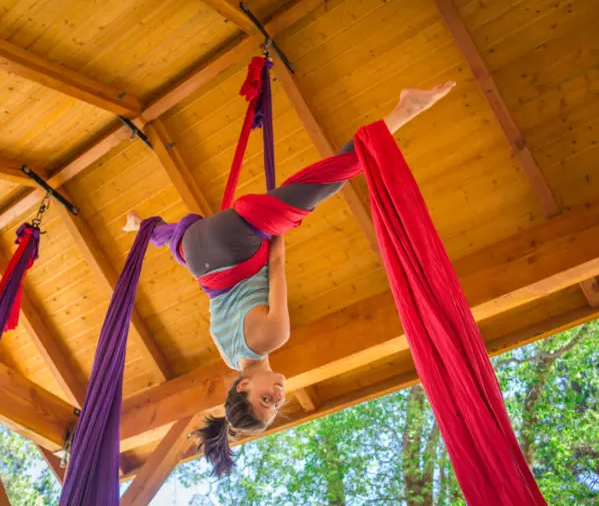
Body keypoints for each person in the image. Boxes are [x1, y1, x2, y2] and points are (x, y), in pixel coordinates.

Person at [124, 82, 455, 475]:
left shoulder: (271, 337)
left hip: (235, 245)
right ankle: (144, 226)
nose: (278, 397)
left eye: (266, 401)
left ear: (244, 388)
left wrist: (285, 215)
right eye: (277, 406)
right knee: (175, 239)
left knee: (325, 183)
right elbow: (221, 297)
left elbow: (277, 262)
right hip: (197, 255)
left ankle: (403, 111)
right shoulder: (228, 355)